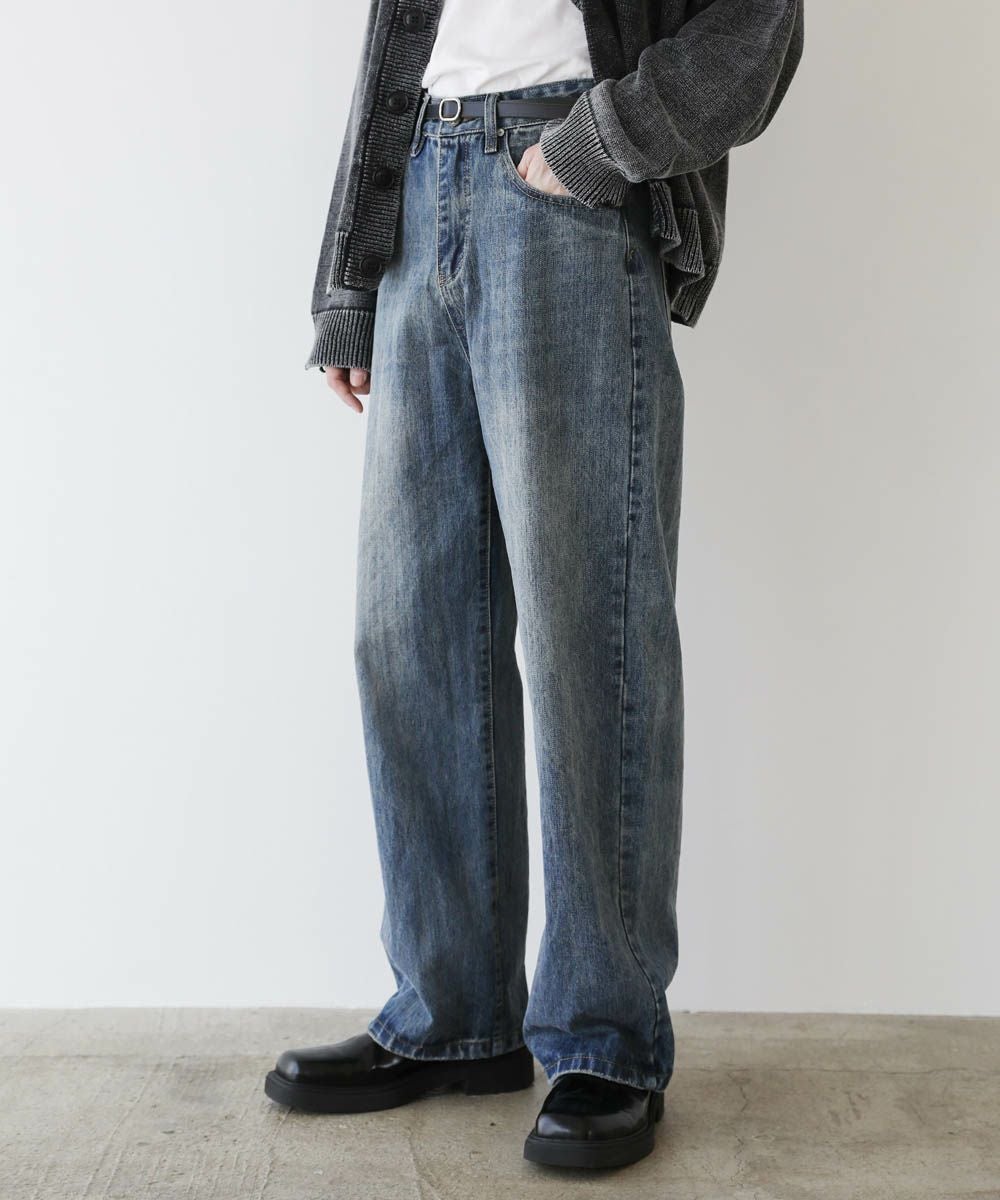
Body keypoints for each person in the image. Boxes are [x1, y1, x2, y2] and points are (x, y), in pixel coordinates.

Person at [264, 0, 804, 1171]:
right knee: (411, 636)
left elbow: (757, 26)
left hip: (563, 187)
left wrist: (591, 146)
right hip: (421, 189)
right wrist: (349, 282)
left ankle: (606, 1040)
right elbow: (400, 42)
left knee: (587, 639)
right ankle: (452, 1015)